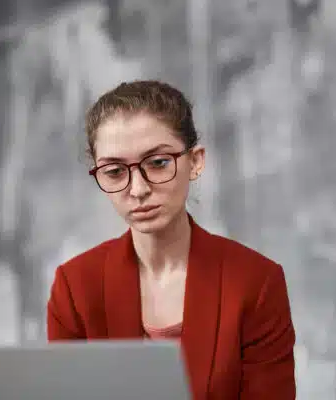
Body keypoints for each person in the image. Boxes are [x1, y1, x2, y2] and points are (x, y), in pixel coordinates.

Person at [46, 80, 296, 399]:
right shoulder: (75, 286)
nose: (138, 189)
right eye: (114, 171)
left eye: (158, 163)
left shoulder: (256, 283)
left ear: (195, 161)